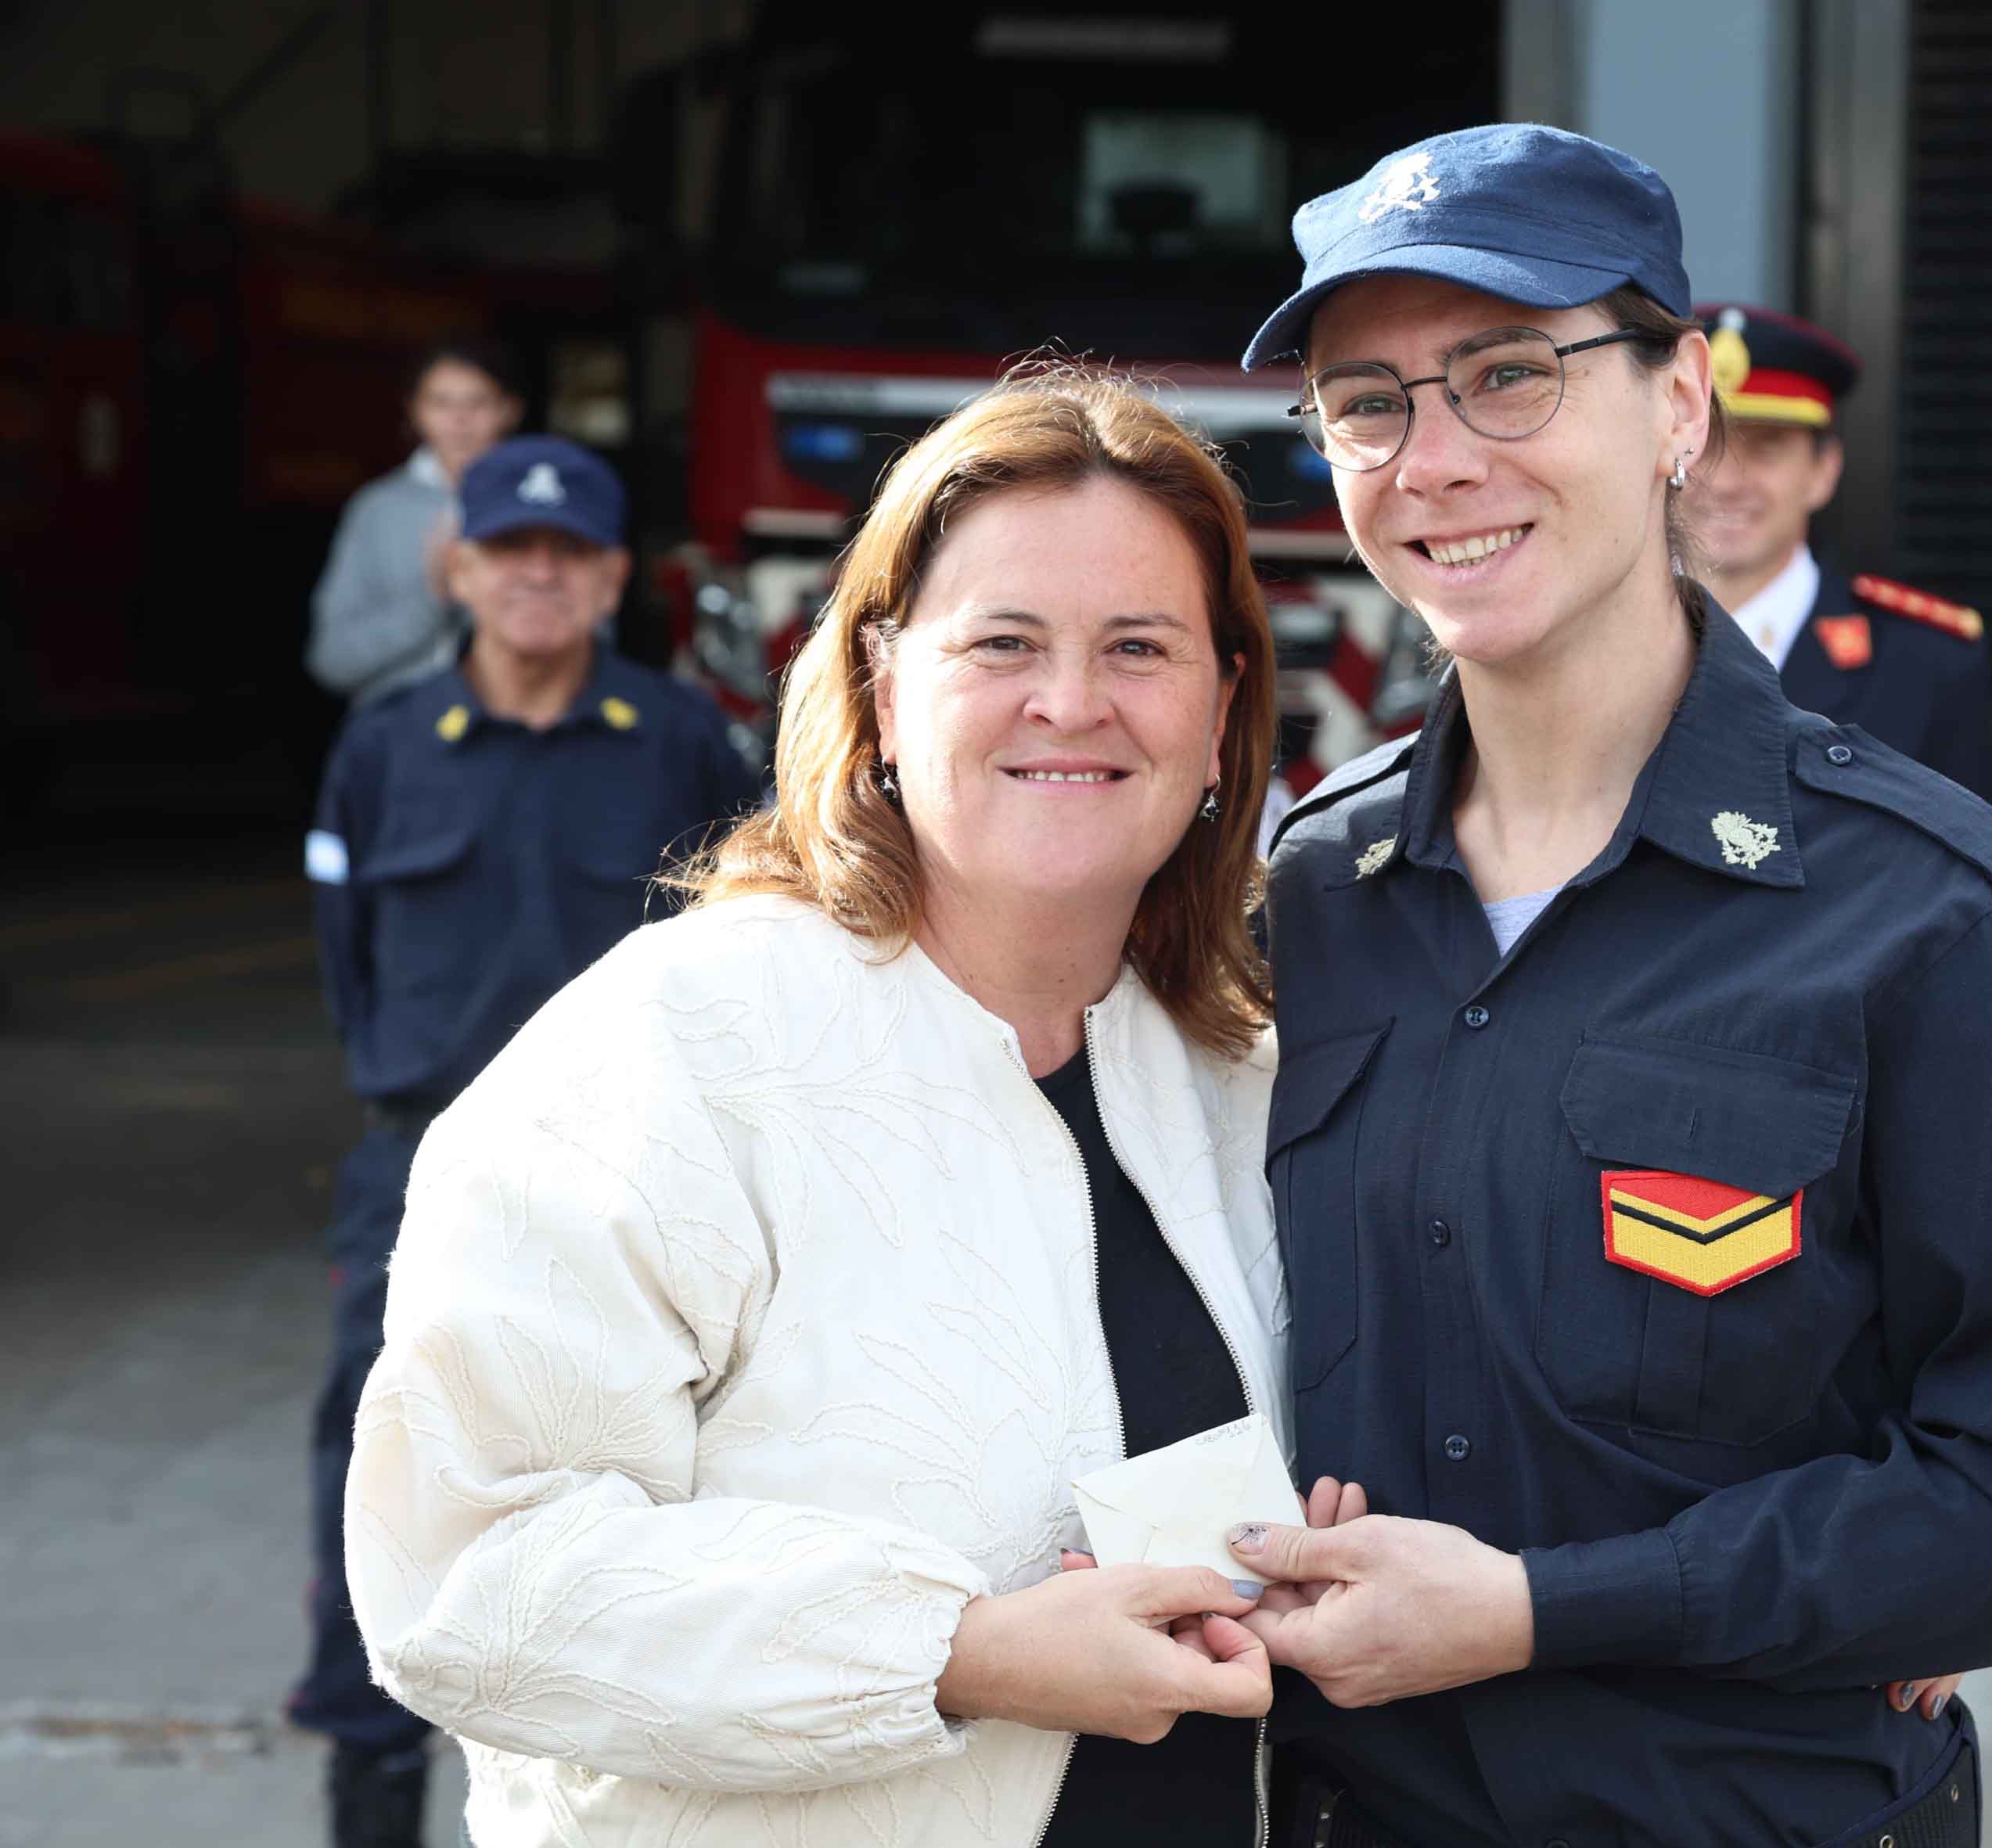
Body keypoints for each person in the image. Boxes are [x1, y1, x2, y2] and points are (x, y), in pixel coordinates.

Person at [1231, 124, 1992, 1848]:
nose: (1432, 461)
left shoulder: (1934, 912)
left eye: (1507, 375)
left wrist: (1537, 1607)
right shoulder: (1306, 890)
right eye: (1367, 403)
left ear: (1679, 407)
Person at [342, 372, 1301, 1846]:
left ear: (1222, 704)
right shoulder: (668, 1051)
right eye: (1003, 642)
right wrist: (958, 1653)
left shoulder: (1242, 1071)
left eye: (1138, 646)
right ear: (881, 683)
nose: (1071, 701)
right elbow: (465, 1577)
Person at [295, 434, 756, 1846]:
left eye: (568, 554)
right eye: (509, 551)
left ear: (613, 578)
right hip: (415, 1171)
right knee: (377, 1478)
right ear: (460, 568)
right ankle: (372, 1788)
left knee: (645, 1484)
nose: (537, 576)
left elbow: (749, 956)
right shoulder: (384, 748)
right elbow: (348, 966)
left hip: (640, 1181)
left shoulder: (681, 743)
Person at [1681, 302, 1992, 796]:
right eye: (1705, 445)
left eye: (1765, 448)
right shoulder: (1588, 634)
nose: (1726, 483)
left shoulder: (1928, 664)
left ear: (1824, 471)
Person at [306, 337, 527, 707]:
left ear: (509, 410)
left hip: (515, 727)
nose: (459, 420)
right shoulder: (378, 509)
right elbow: (331, 662)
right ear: (415, 411)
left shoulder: (543, 506)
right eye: (441, 402)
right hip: (396, 727)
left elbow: (593, 641)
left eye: (477, 402)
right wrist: (433, 598)